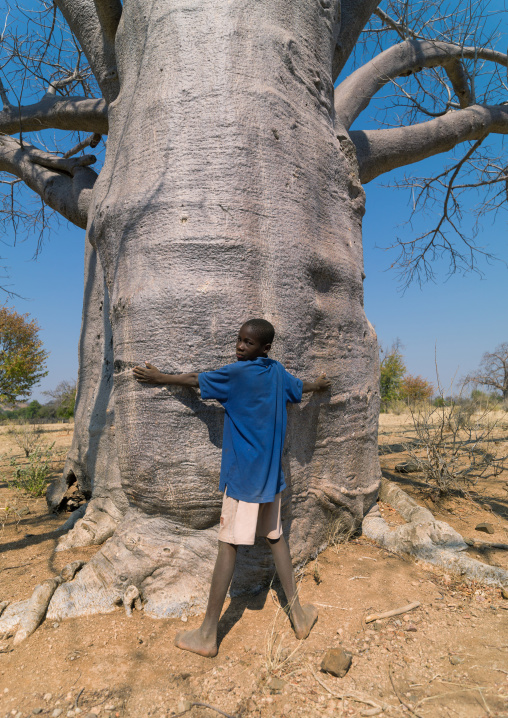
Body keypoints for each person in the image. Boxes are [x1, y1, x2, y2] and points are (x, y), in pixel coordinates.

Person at [133, 318, 331, 657]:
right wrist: (320, 384)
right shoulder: (278, 373)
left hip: (244, 480)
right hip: (272, 479)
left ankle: (208, 634)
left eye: (248, 343)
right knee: (275, 537)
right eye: (239, 340)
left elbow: (195, 381)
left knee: (228, 547)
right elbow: (301, 387)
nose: (240, 347)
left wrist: (159, 377)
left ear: (264, 347)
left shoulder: (235, 374)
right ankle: (298, 615)